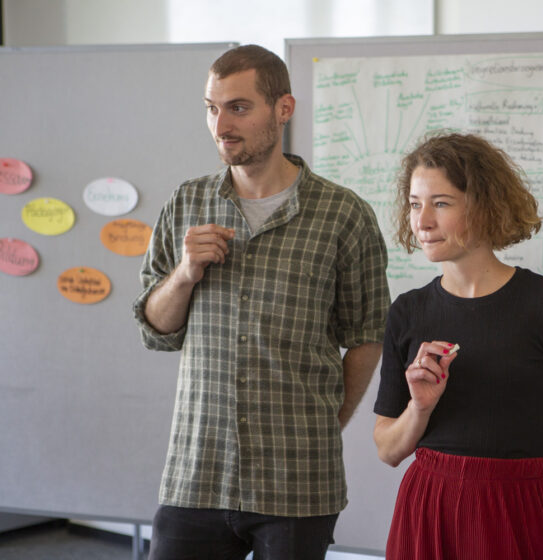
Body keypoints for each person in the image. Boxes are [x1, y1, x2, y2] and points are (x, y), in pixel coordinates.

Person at [133, 44, 390, 560]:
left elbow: (365, 334)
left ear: (283, 109)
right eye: (211, 107)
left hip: (297, 480)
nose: (221, 123)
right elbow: (154, 329)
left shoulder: (344, 214)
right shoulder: (186, 202)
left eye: (239, 107)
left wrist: (326, 419)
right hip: (197, 472)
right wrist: (184, 275)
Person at [373, 132, 543, 560]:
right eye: (415, 204)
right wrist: (419, 407)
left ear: (483, 204)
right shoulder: (407, 311)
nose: (422, 222)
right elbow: (387, 449)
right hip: (427, 511)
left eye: (441, 203)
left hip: (514, 510)